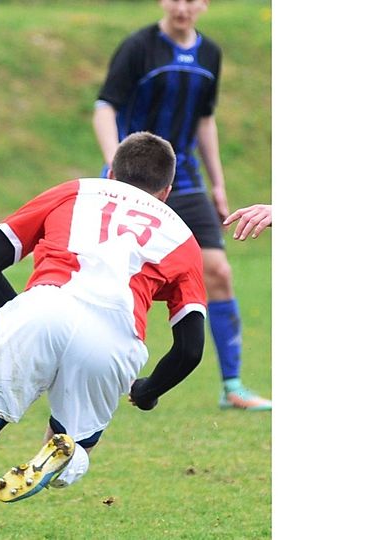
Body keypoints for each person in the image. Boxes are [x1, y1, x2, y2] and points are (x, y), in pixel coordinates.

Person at [0, 132, 208, 539]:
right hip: (115, 338)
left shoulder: (75, 191)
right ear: (167, 191)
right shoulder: (183, 239)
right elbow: (190, 349)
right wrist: (148, 390)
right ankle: (62, 456)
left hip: (43, 308)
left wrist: (18, 317)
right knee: (76, 445)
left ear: (111, 172)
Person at [91, 0, 271, 411]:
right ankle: (91, 367)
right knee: (115, 274)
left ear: (204, 5)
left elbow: (205, 121)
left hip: (185, 182)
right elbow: (105, 107)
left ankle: (233, 387)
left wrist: (219, 183)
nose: (183, 6)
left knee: (219, 271)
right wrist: (113, 164)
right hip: (133, 181)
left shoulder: (210, 53)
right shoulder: (139, 47)